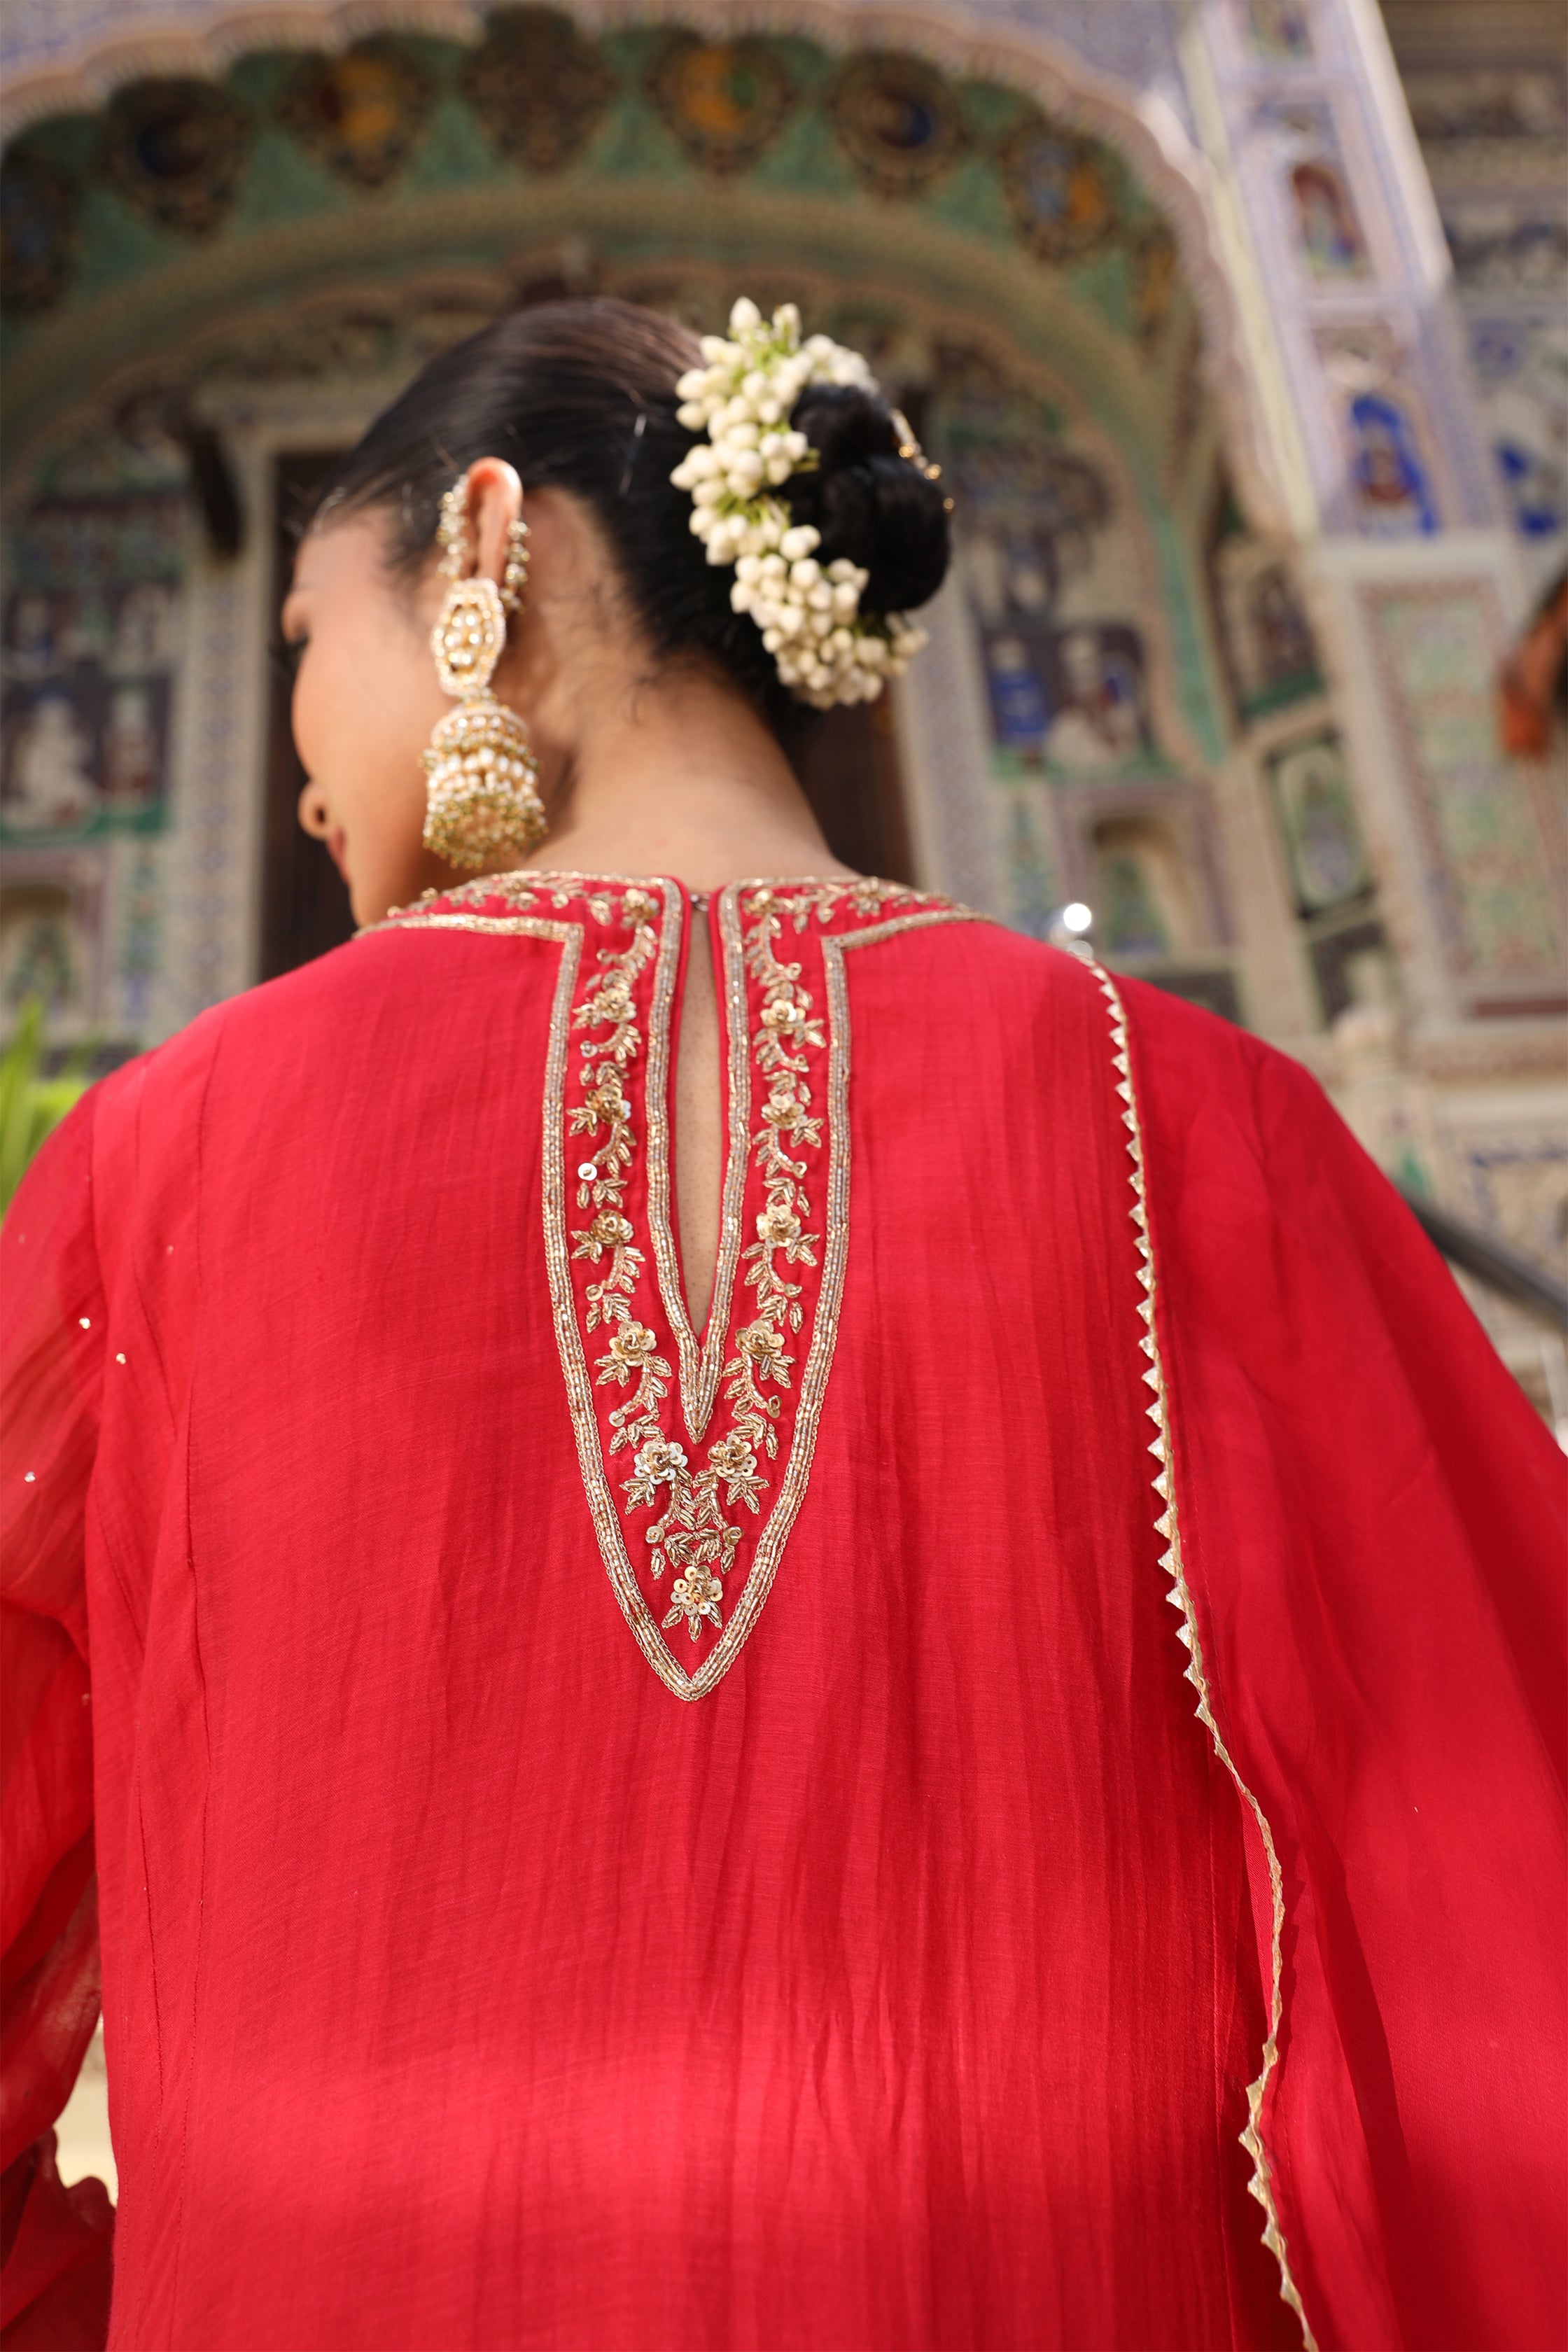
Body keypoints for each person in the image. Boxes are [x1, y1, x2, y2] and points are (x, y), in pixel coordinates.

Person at [1, 298, 1562, 2352]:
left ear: (489, 551)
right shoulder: (1199, 1121)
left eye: (307, 635)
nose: (302, 771)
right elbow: (1498, 1925)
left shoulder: (160, 1165)